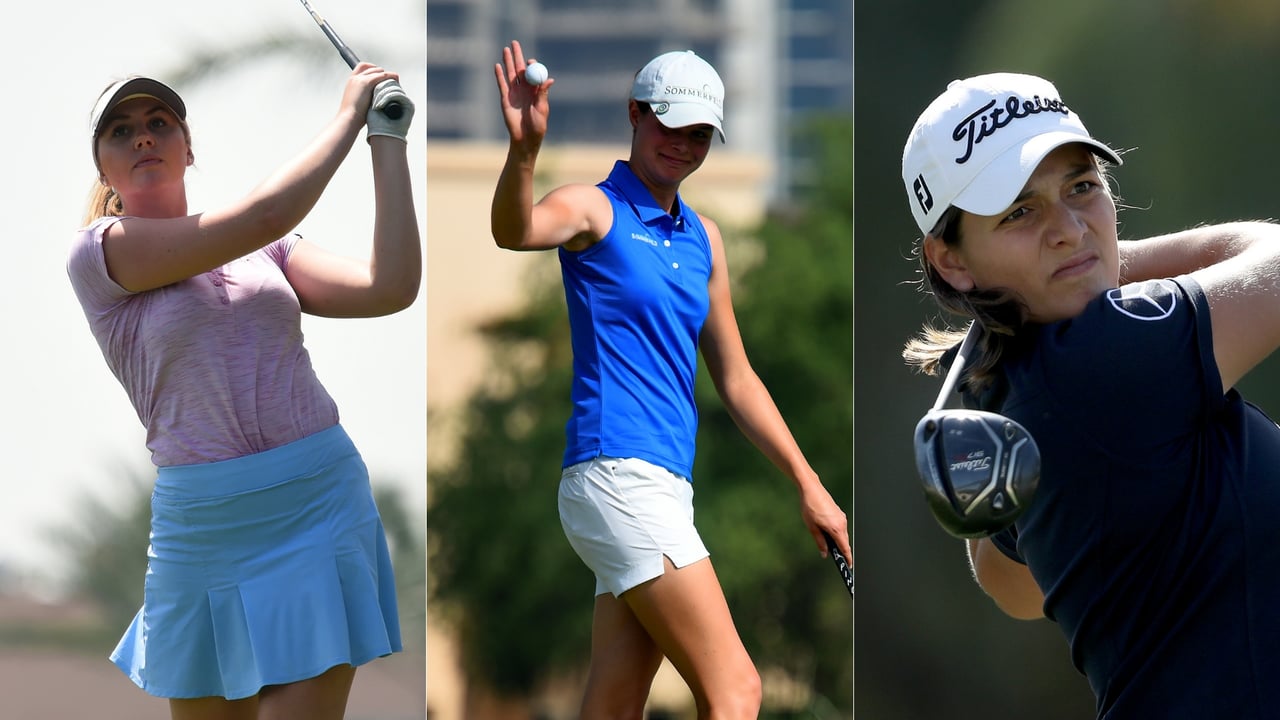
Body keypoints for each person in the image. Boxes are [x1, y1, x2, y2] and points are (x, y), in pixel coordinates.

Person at [901, 71, 1280, 718]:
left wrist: (1079, 264)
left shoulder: (1013, 395)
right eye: (1020, 211)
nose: (1070, 228)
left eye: (1082, 187)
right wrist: (1113, 255)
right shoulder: (1109, 353)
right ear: (952, 260)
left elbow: (1012, 589)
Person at [490, 40, 851, 717]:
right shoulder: (593, 208)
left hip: (662, 483)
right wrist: (524, 150)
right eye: (669, 126)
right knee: (738, 688)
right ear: (634, 114)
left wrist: (811, 487)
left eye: (699, 135)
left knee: (616, 701)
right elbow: (515, 231)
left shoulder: (704, 239)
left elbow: (738, 380)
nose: (683, 145)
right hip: (617, 472)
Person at [66, 64, 419, 720]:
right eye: (122, 131)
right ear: (104, 167)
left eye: (158, 123)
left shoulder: (270, 252)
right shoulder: (98, 255)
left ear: (187, 147)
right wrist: (346, 116)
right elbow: (265, 211)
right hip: (204, 527)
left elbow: (390, 286)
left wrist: (385, 139)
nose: (143, 137)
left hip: (318, 499)